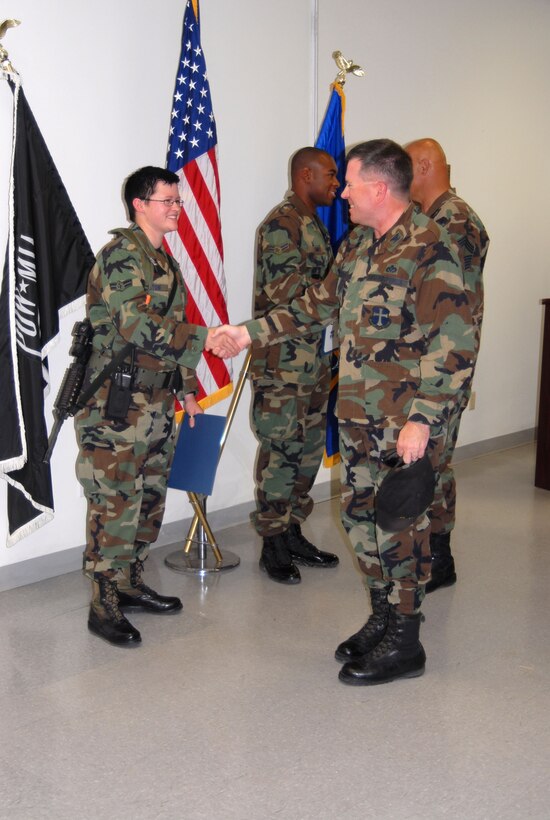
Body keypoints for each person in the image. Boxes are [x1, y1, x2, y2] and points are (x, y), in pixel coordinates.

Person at [211, 139, 475, 684]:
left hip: (404, 427)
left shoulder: (431, 247)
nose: (344, 193)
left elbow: (453, 343)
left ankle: (406, 638)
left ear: (379, 188)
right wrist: (247, 333)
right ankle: (382, 614)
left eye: (351, 183)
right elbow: (312, 306)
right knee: (360, 521)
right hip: (357, 419)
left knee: (401, 526)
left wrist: (423, 420)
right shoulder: (358, 244)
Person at [74, 166, 238, 647]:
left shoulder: (165, 262)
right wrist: (208, 339)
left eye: (178, 201)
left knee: (147, 497)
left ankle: (129, 582)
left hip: (158, 401)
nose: (175, 208)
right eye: (166, 201)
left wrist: (187, 386)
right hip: (117, 405)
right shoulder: (123, 256)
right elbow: (136, 327)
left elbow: (174, 327)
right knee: (115, 500)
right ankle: (103, 601)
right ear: (138, 205)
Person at [251, 147, 340, 584]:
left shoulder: (313, 226)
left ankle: (292, 529)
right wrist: (339, 289)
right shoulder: (281, 225)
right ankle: (272, 542)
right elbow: (288, 294)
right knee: (280, 451)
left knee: (306, 452)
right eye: (330, 174)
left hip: (314, 361)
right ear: (306, 175)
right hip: (284, 364)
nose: (336, 183)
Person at [404, 138, 490, 593]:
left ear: (423, 166)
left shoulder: (453, 220)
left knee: (434, 459)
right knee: (433, 459)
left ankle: (438, 556)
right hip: (429, 360)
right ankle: (435, 554)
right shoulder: (435, 218)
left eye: (406, 168)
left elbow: (446, 305)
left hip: (443, 362)